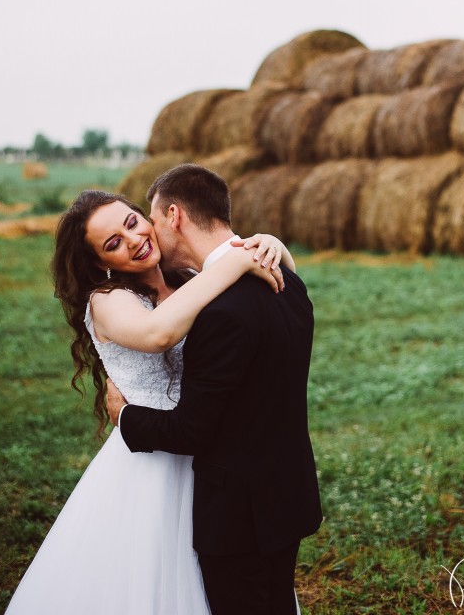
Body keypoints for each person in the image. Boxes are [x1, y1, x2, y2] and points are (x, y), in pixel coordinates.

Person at [5, 185, 294, 615]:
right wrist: (235, 258)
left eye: (132, 222)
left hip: (214, 452)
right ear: (100, 263)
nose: (135, 240)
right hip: (153, 460)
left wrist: (274, 246)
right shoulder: (107, 301)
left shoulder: (191, 280)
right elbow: (158, 333)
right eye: (113, 244)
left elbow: (278, 282)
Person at [107, 163, 323, 615]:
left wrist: (125, 417)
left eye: (149, 219)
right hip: (286, 493)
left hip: (239, 515)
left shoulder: (217, 312)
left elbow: (192, 431)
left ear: (174, 216)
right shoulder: (287, 278)